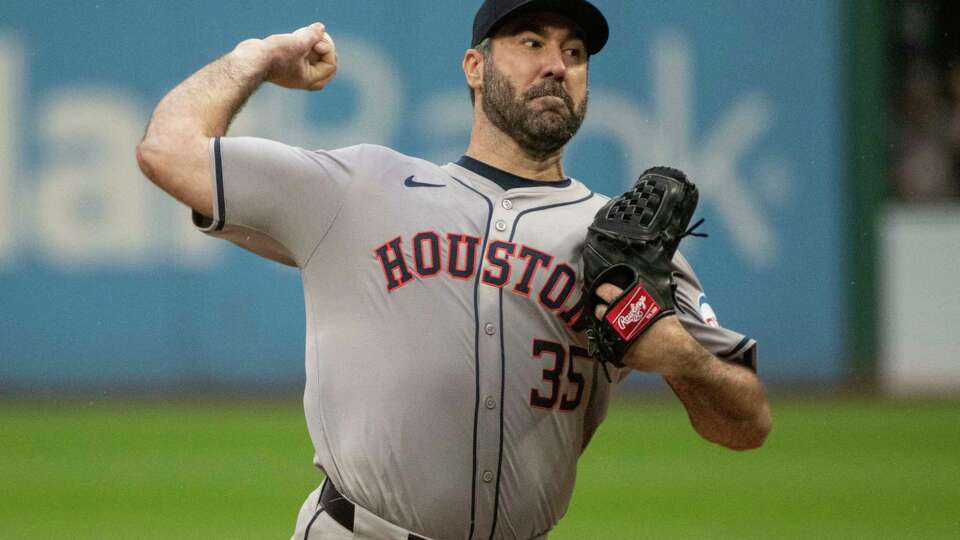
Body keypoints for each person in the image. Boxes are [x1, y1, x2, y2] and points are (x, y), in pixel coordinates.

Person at [136, 1, 771, 538]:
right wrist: (259, 58)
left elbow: (747, 425)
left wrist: (680, 356)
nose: (557, 64)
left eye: (575, 53)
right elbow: (167, 150)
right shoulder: (361, 188)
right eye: (531, 43)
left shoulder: (621, 243)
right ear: (475, 66)